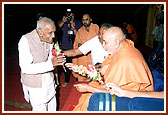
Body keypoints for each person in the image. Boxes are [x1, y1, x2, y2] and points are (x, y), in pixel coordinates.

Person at [66, 27, 154, 111]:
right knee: (90, 91)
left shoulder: (125, 59)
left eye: (105, 42)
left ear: (116, 42)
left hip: (134, 100)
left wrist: (90, 89)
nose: (103, 46)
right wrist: (79, 69)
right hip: (119, 90)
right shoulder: (122, 47)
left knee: (90, 100)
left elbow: (122, 92)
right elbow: (101, 70)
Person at [18, 17, 66, 111]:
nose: (53, 36)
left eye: (54, 32)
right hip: (35, 85)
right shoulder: (25, 40)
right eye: (50, 33)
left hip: (49, 80)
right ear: (40, 32)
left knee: (52, 107)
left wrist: (58, 59)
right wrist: (51, 64)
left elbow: (50, 59)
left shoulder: (49, 40)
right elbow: (25, 68)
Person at [87, 83, 164, 111]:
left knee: (96, 102)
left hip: (145, 106)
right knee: (95, 98)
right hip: (143, 99)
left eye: (105, 44)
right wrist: (124, 92)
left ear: (117, 45)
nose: (103, 46)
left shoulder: (126, 57)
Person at [57, 9, 82, 87]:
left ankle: (78, 80)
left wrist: (72, 25)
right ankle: (67, 80)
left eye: (71, 15)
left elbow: (79, 35)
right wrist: (63, 22)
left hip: (75, 48)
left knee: (77, 64)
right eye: (68, 15)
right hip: (65, 47)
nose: (69, 17)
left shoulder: (77, 23)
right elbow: (55, 31)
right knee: (66, 65)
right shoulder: (62, 21)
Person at [72, 13, 99, 81]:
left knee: (95, 76)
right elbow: (76, 43)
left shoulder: (96, 28)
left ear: (90, 20)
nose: (85, 22)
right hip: (84, 56)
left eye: (86, 20)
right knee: (83, 73)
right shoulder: (80, 31)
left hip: (94, 54)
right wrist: (78, 45)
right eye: (83, 20)